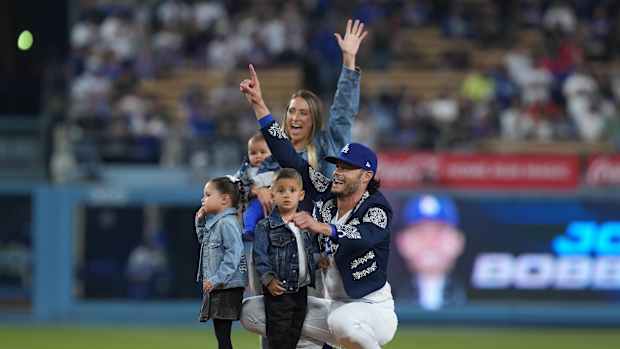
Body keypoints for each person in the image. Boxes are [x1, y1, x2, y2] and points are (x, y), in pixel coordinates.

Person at [239, 65, 398, 349]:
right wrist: (259, 105)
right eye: (337, 165)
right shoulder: (324, 191)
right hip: (333, 306)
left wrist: (324, 227)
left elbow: (365, 237)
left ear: (365, 176)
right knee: (252, 312)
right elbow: (290, 157)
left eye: (347, 168)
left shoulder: (376, 207)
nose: (337, 172)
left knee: (342, 322)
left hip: (372, 309)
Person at [253, 168, 321, 349]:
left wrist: (318, 260)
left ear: (301, 195)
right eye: (281, 190)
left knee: (294, 333)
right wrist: (268, 279)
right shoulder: (265, 226)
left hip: (301, 289)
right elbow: (260, 256)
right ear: (272, 194)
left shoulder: (306, 225)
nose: (286, 195)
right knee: (278, 335)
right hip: (279, 289)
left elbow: (308, 252)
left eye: (292, 190)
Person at [195, 176, 248, 349]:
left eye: (208, 194)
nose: (203, 199)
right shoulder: (217, 223)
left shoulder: (227, 223)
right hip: (222, 286)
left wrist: (217, 278)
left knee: (223, 336)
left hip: (227, 286)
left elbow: (235, 253)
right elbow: (204, 241)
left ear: (225, 199)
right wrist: (200, 220)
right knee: (221, 335)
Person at [393, 194, 466, 310]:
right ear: (402, 241)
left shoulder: (481, 297)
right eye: (420, 232)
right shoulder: (383, 297)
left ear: (458, 240)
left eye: (440, 231)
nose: (430, 242)